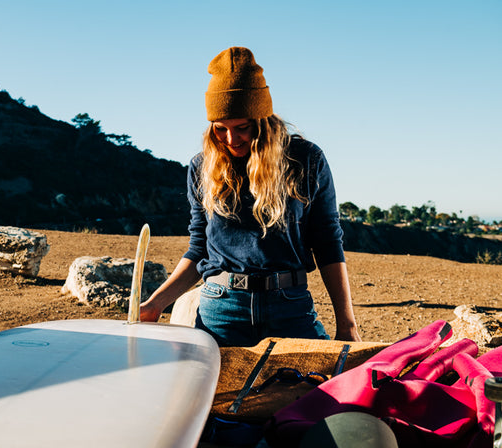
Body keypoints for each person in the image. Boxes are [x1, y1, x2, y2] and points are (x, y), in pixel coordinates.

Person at [140, 46, 361, 346]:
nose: (231, 140)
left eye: (242, 128)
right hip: (221, 308)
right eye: (220, 129)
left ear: (262, 120)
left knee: (313, 389)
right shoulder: (201, 167)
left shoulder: (306, 160)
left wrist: (347, 325)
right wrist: (156, 302)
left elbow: (328, 244)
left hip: (289, 306)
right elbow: (199, 248)